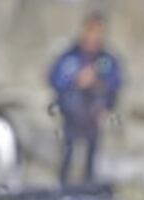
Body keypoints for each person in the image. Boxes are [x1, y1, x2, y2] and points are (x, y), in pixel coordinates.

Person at [48, 12, 123, 187]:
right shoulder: (70, 57)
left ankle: (88, 189)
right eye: (90, 31)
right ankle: (63, 188)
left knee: (91, 158)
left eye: (99, 32)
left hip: (94, 117)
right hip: (72, 116)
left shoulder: (105, 60)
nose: (93, 36)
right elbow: (55, 78)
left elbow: (115, 82)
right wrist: (76, 80)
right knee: (68, 154)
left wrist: (98, 82)